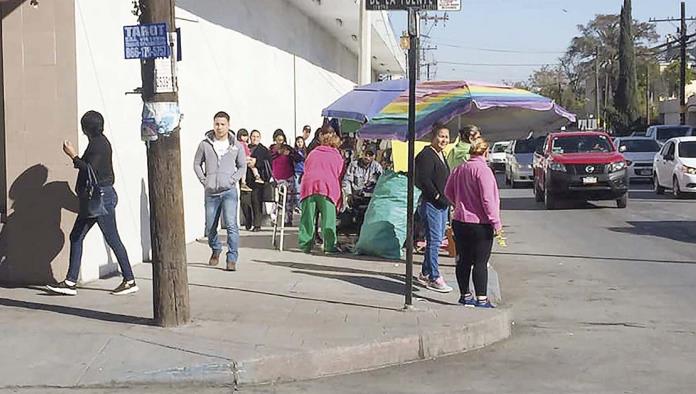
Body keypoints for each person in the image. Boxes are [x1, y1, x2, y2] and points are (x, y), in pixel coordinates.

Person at [47, 110, 138, 296]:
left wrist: (72, 155)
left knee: (112, 238)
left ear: (86, 128)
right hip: (95, 199)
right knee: (76, 236)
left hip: (100, 199)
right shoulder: (99, 142)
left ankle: (129, 280)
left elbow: (90, 170)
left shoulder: (99, 145)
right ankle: (71, 281)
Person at [444, 137, 502, 308]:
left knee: (463, 260)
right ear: (485, 151)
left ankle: (465, 295)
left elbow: (448, 191)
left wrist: (459, 203)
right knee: (480, 262)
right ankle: (482, 299)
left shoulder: (460, 168)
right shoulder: (483, 170)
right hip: (480, 223)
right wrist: (496, 223)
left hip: (460, 221)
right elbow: (487, 200)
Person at [193, 111, 246, 271]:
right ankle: (216, 248)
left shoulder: (236, 145)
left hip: (229, 191)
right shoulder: (205, 144)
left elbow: (242, 166)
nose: (219, 127)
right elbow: (196, 164)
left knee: (231, 224)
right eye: (217, 124)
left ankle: (232, 258)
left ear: (228, 125)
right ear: (213, 125)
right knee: (210, 226)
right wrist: (204, 180)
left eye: (223, 124)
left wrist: (232, 179)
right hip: (211, 192)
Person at [414, 124, 453, 293]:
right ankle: (434, 277)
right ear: (433, 136)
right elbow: (424, 180)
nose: (443, 140)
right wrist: (437, 196)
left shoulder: (441, 154)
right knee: (435, 241)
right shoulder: (426, 155)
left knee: (435, 239)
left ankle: (425, 272)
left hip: (443, 205)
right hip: (432, 204)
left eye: (446, 137)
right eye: (441, 136)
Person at [298, 126, 344, 254]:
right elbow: (339, 174)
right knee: (328, 219)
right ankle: (329, 246)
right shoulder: (337, 155)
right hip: (327, 188)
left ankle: (305, 245)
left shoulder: (313, 152)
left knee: (307, 218)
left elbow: (306, 168)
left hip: (309, 187)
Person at [269, 129, 300, 226]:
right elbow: (269, 158)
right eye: (278, 140)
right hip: (277, 178)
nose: (280, 142)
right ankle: (273, 218)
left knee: (289, 200)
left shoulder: (288, 148)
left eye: (282, 140)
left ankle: (288, 219)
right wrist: (278, 152)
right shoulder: (271, 149)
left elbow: (299, 158)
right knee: (276, 199)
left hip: (288, 176)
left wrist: (290, 154)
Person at [247, 129, 272, 232]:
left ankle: (257, 224)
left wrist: (256, 163)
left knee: (256, 201)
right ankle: (248, 222)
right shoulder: (246, 148)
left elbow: (268, 163)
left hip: (259, 180)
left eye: (257, 137)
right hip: (247, 179)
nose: (255, 138)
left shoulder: (263, 149)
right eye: (253, 136)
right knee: (245, 201)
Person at [294, 136, 307, 213]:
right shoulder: (294, 152)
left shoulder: (305, 152)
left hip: (304, 173)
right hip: (297, 172)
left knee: (304, 190)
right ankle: (299, 206)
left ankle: (302, 206)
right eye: (298, 142)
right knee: (297, 190)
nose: (299, 143)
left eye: (301, 142)